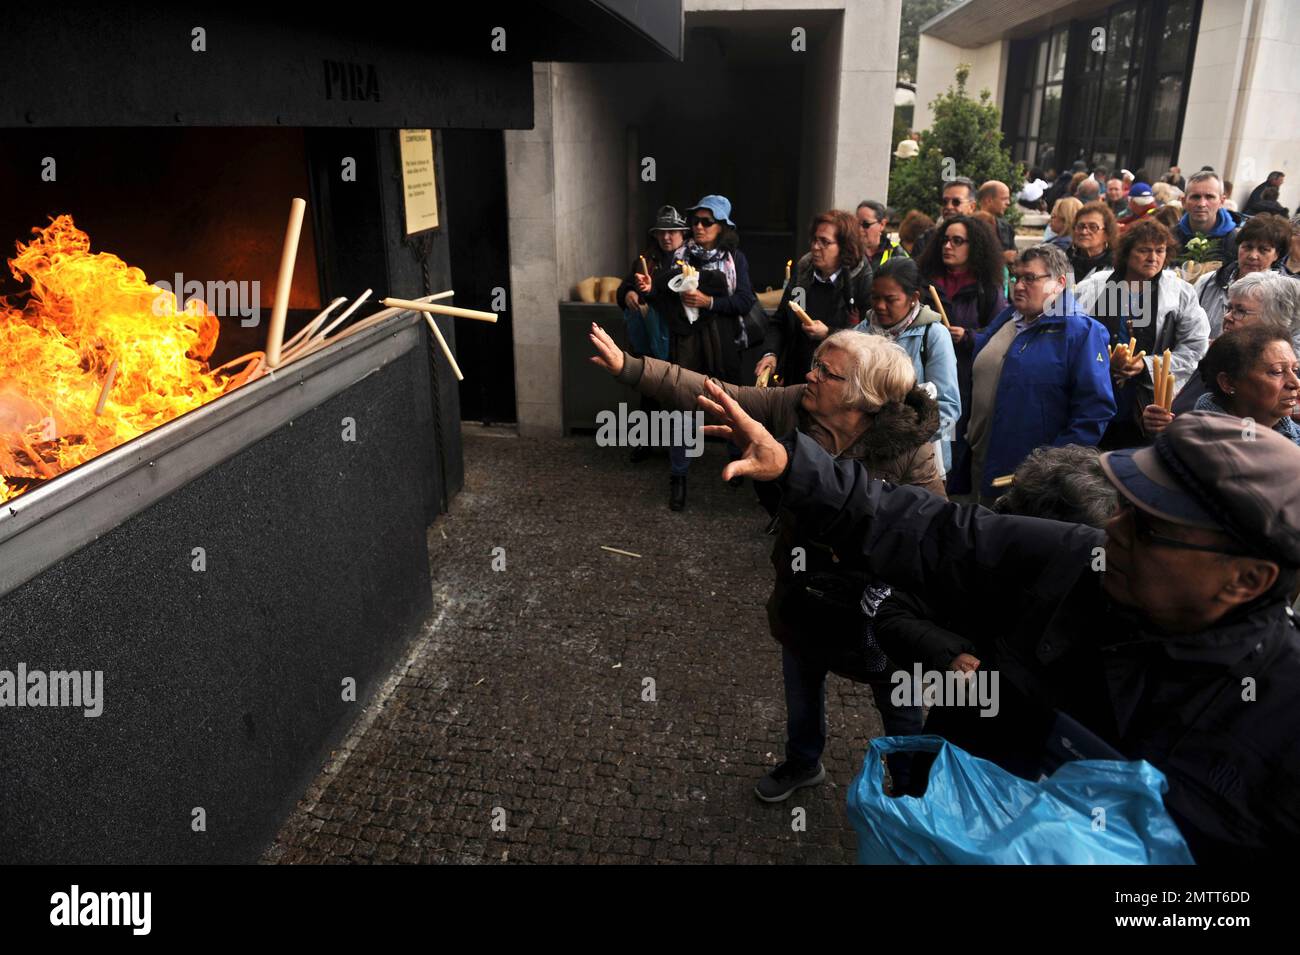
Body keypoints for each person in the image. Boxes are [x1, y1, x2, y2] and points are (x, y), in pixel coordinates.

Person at [704, 388, 1300, 864]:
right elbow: (930, 530)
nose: (1114, 529)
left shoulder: (1281, 717)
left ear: (1245, 579)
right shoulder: (1075, 559)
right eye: (1122, 505)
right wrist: (796, 469)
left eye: (1148, 527)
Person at [587, 325, 946, 800]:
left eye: (826, 371)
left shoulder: (910, 448)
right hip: (805, 584)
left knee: (898, 695)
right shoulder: (793, 404)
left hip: (878, 599)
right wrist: (631, 369)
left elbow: (931, 534)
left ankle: (911, 793)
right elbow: (714, 392)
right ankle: (803, 762)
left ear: (863, 397)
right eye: (815, 364)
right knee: (801, 674)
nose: (809, 375)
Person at [633, 194, 755, 510]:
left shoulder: (734, 259)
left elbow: (745, 300)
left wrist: (709, 302)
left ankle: (736, 463)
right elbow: (658, 294)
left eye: (706, 222)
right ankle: (679, 477)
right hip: (686, 344)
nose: (698, 227)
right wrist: (647, 288)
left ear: (722, 227)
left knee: (729, 404)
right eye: (695, 221)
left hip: (724, 343)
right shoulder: (679, 256)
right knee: (682, 408)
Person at [967, 244, 1115, 502]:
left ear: (1059, 284)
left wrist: (1049, 467)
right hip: (981, 460)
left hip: (1031, 478)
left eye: (1030, 278)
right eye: (1016, 277)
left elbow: (1093, 411)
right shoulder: (1008, 317)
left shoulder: (1081, 332)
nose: (1019, 285)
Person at [1074, 219, 1210, 448]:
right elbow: (1073, 334)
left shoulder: (1179, 292)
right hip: (1092, 394)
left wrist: (1146, 365)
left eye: (1160, 251)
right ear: (1127, 253)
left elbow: (1195, 346)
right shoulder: (1094, 286)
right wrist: (1103, 362)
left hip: (1145, 404)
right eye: (1144, 250)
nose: (1153, 258)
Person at [914, 214, 1008, 495]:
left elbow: (999, 333)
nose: (948, 246)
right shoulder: (925, 282)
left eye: (958, 241)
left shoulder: (986, 288)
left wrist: (969, 337)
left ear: (974, 246)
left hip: (965, 382)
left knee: (953, 438)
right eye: (945, 239)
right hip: (926, 375)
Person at [857, 257, 961, 472]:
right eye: (875, 297)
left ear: (913, 298)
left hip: (919, 461)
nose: (879, 306)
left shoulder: (933, 335)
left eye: (890, 299)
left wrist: (903, 439)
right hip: (865, 454)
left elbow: (948, 408)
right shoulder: (861, 333)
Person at [758, 210, 871, 390]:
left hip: (837, 387)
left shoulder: (861, 281)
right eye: (815, 240)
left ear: (845, 246)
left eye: (825, 242)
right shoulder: (803, 274)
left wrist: (828, 333)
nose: (815, 247)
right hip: (796, 377)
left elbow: (870, 338)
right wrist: (770, 353)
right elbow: (781, 321)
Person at [1163, 271, 1300, 416]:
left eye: (1240, 311)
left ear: (1273, 321)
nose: (1228, 316)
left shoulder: (1285, 382)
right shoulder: (1218, 357)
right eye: (1229, 308)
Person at [616, 205, 688, 462]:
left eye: (672, 231)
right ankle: (645, 443)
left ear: (682, 233)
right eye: (662, 232)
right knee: (649, 390)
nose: (666, 237)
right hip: (651, 336)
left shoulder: (691, 259)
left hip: (680, 338)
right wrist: (629, 293)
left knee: (680, 392)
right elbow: (624, 285)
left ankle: (680, 451)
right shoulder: (646, 259)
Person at [1194, 213, 1292, 339]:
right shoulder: (1208, 282)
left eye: (1263, 250)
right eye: (1247, 247)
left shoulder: (1281, 297)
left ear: (1276, 255)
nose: (1252, 255)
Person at [1173, 171, 1243, 264]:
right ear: (1183, 201)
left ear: (1221, 202)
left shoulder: (1236, 243)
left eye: (1210, 197)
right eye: (1195, 197)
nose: (1201, 204)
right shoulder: (1170, 238)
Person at [912, 177, 977, 259]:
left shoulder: (983, 240)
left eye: (956, 202)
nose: (949, 206)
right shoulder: (926, 241)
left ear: (972, 207)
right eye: (945, 202)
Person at [1063, 200, 1118, 281]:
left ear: (1107, 233)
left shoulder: (1116, 266)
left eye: (1093, 227)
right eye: (1080, 226)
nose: (1084, 232)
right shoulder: (1064, 261)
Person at [977, 180, 1018, 265]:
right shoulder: (969, 226)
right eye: (1004, 199)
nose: (1008, 203)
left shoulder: (1006, 227)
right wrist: (1001, 257)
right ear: (988, 200)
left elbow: (1014, 255)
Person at [856, 199, 905, 269]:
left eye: (865, 224)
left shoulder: (897, 253)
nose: (859, 229)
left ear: (882, 224)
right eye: (856, 223)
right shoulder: (848, 252)